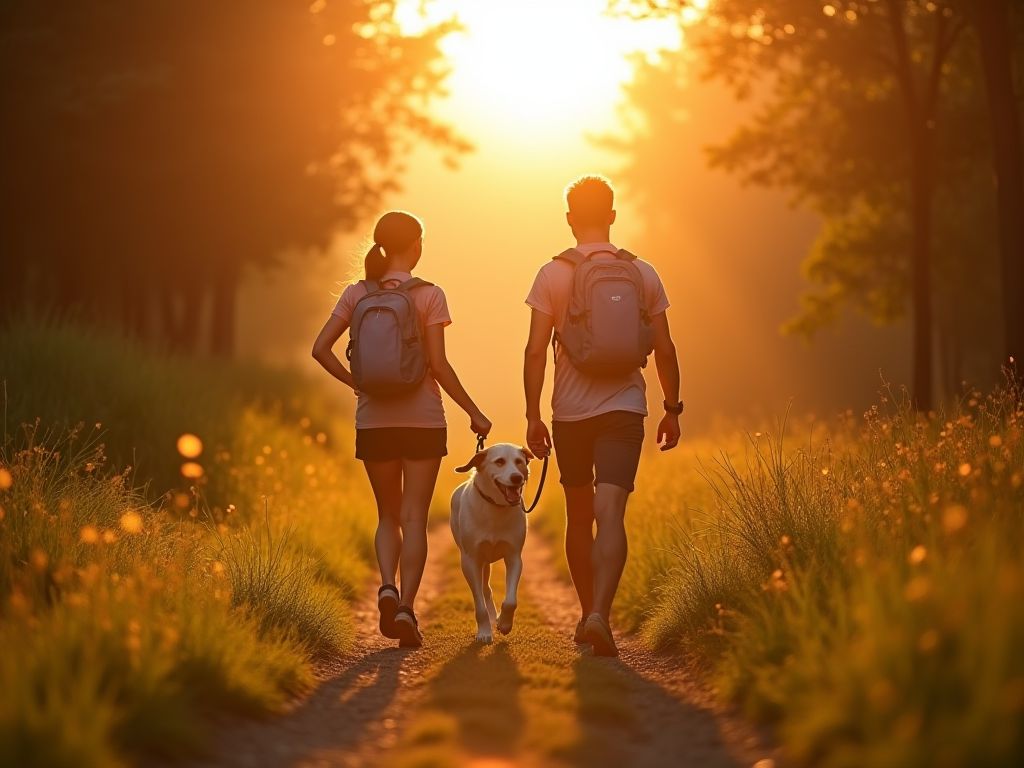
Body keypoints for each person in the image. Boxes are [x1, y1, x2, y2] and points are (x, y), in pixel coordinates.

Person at [313, 210, 491, 648]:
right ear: (416, 246)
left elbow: (320, 349)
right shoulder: (430, 295)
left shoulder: (357, 294)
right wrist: (474, 412)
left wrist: (358, 384)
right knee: (414, 518)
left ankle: (387, 587)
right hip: (423, 421)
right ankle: (408, 608)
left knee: (387, 515)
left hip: (374, 420)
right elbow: (439, 366)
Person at [523, 176, 682, 657]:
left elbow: (534, 352)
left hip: (570, 414)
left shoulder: (552, 275)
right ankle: (600, 617)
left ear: (569, 218)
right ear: (612, 215)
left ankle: (587, 609)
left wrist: (532, 415)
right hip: (625, 409)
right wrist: (672, 408)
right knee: (611, 513)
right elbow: (664, 348)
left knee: (579, 516)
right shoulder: (643, 273)